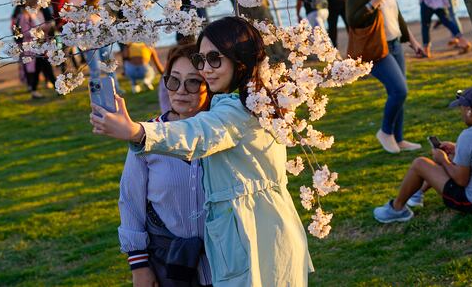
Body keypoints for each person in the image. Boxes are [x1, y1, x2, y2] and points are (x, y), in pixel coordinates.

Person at [90, 16, 313, 287]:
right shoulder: (253, 101)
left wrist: (138, 132)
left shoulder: (236, 110)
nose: (207, 68)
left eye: (215, 59)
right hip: (261, 231)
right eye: (202, 60)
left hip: (253, 233)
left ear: (239, 58)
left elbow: (197, 135)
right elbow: (130, 200)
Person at [119, 44, 212, 287]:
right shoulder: (146, 137)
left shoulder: (223, 133)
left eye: (193, 82)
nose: (180, 91)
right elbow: (130, 202)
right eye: (173, 80)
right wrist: (139, 267)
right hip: (169, 265)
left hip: (225, 264)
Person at [373, 86, 472, 223]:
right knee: (449, 156)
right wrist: (457, 149)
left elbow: (461, 180)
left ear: (469, 110)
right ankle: (417, 194)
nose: (460, 112)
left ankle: (397, 209)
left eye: (461, 108)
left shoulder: (469, 136)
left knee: (420, 163)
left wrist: (443, 160)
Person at [345, 0, 425, 154]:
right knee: (400, 91)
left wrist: (413, 42)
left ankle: (398, 139)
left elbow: (396, 16)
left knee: (398, 92)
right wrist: (371, 5)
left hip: (396, 44)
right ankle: (385, 132)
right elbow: (352, 20)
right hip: (378, 48)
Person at [11, 0, 56, 98]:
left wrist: (46, 27)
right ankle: (56, 86)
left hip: (38, 45)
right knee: (44, 65)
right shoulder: (24, 16)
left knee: (39, 67)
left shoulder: (32, 15)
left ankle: (35, 90)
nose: (38, 7)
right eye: (37, 5)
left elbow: (39, 26)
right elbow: (25, 32)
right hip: (32, 46)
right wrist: (37, 31)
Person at [82, 0, 120, 91]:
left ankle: (115, 88)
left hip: (104, 42)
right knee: (95, 70)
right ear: (92, 0)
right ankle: (96, 91)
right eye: (97, 0)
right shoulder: (85, 13)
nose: (99, 1)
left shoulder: (99, 11)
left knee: (109, 65)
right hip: (91, 45)